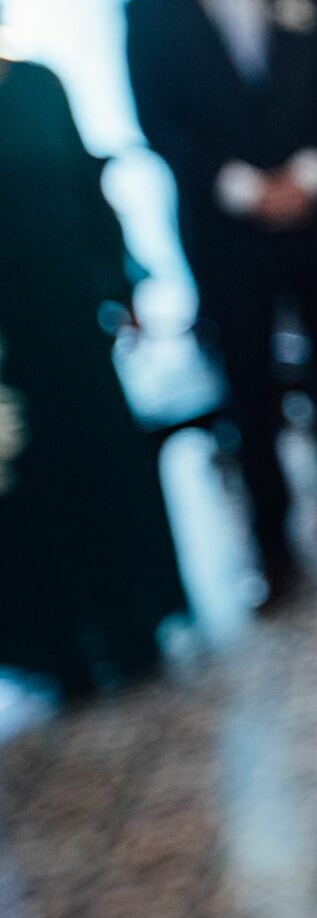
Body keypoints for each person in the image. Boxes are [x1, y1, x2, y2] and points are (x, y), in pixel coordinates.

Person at [126, 0, 317, 604]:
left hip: (316, 220)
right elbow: (158, 121)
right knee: (250, 388)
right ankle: (273, 544)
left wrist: (309, 174)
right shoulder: (151, 11)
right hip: (226, 233)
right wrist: (243, 188)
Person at [0, 59, 189, 697]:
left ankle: (135, 623)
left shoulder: (38, 83)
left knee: (105, 468)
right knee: (39, 488)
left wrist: (121, 282)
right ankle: (66, 651)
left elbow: (87, 184)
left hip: (76, 324)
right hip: (10, 345)